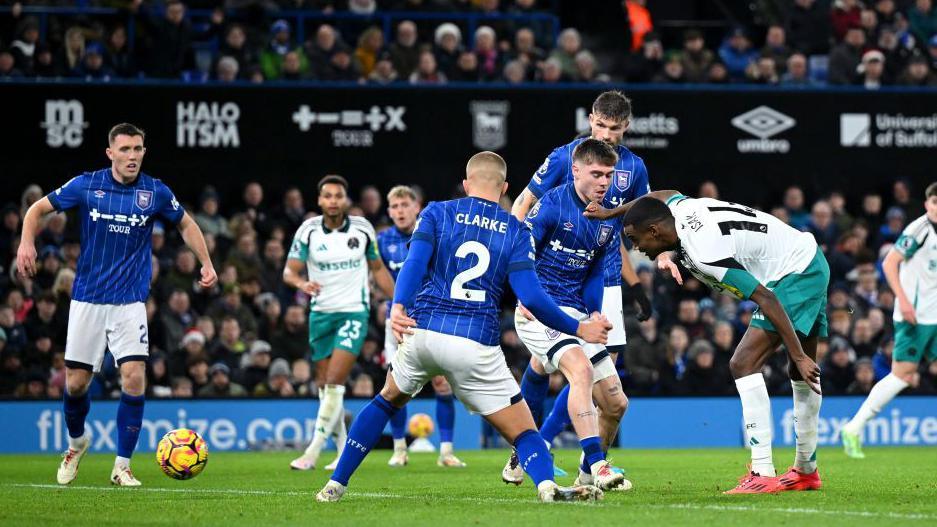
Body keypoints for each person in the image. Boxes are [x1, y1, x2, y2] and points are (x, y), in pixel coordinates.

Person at [315, 152, 610, 503]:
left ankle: (336, 483)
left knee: (387, 400)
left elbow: (414, 263)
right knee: (524, 431)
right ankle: (547, 487)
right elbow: (531, 296)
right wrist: (579, 327)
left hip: (424, 332)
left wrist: (397, 306)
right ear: (504, 188)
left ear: (467, 184)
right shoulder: (516, 230)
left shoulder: (437, 212)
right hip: (475, 343)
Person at [16, 123, 217, 486]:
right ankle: (77, 443)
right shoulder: (87, 184)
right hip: (88, 300)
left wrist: (205, 262)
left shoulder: (154, 191)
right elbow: (36, 211)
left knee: (135, 378)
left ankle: (122, 466)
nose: (132, 156)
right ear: (110, 153)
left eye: (138, 149)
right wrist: (26, 242)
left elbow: (187, 224)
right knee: (76, 385)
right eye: (125, 150)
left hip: (129, 302)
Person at [585, 190, 824, 494]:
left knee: (743, 363)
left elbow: (765, 296)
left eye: (636, 239)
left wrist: (798, 354)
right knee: (798, 374)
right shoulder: (680, 210)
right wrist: (611, 212)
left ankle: (762, 471)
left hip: (793, 272)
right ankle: (806, 470)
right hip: (808, 258)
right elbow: (663, 194)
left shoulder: (703, 251)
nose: (637, 248)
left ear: (655, 231)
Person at [509, 91, 655, 470]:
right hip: (557, 278)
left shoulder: (634, 168)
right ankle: (539, 446)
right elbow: (524, 204)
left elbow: (625, 232)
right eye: (601, 126)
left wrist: (635, 283)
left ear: (626, 128)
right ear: (591, 120)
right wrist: (519, 273)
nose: (606, 135)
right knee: (565, 365)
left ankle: (572, 457)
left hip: (600, 280)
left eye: (615, 129)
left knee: (590, 371)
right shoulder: (566, 157)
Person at [502, 139, 630, 492]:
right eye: (596, 174)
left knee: (617, 403)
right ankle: (600, 464)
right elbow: (521, 258)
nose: (604, 182)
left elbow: (593, 273)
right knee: (581, 370)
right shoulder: (550, 207)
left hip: (576, 310)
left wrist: (592, 313)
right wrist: (527, 296)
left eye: (608, 175)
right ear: (576, 170)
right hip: (538, 310)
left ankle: (586, 476)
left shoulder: (606, 219)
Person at [285, 175, 395, 471]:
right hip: (320, 314)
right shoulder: (308, 231)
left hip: (353, 313)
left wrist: (400, 300)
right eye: (327, 196)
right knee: (323, 385)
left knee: (334, 382)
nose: (333, 201)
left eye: (338, 196)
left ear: (345, 200)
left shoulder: (362, 229)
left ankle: (312, 451)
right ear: (320, 201)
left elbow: (377, 269)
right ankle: (340, 448)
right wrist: (301, 283)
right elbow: (289, 271)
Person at [842, 182, 937, 458]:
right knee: (903, 374)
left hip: (933, 314)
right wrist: (904, 300)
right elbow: (889, 263)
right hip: (915, 317)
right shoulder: (918, 230)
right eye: (934, 203)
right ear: (926, 204)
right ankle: (854, 427)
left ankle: (853, 428)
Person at [377, 185, 465, 468]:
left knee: (441, 383)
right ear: (389, 211)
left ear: (418, 207)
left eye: (405, 204)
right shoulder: (382, 241)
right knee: (395, 385)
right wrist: (388, 301)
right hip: (398, 321)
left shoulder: (431, 233)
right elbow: (377, 274)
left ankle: (446, 451)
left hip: (430, 317)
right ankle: (400, 448)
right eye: (395, 206)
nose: (400, 211)